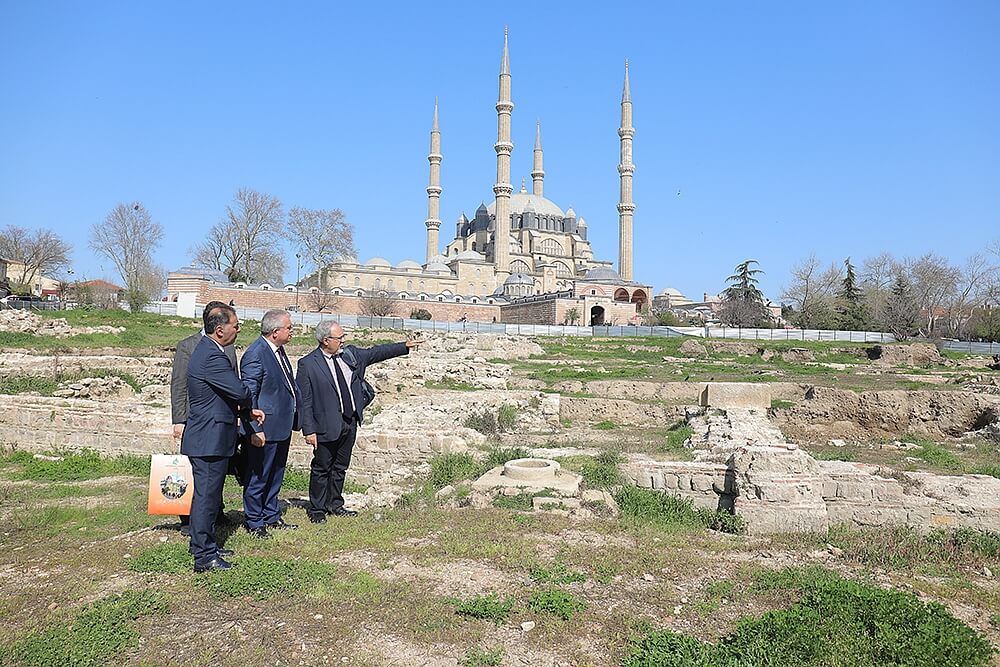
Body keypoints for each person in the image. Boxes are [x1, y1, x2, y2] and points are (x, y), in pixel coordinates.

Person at [296, 320, 421, 523]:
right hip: (325, 424)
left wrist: (403, 346)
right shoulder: (308, 364)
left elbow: (376, 352)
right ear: (326, 340)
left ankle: (334, 503)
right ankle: (317, 508)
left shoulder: (350, 355)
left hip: (349, 420)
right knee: (322, 467)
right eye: (340, 337)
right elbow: (305, 400)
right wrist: (308, 430)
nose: (343, 340)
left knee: (340, 466)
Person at [182, 304, 264, 572]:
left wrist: (245, 411)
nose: (239, 330)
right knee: (206, 498)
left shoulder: (209, 351)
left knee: (206, 496)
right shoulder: (212, 357)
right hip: (209, 438)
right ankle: (204, 556)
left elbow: (225, 396)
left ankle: (204, 545)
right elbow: (239, 390)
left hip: (209, 436)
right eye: (236, 325)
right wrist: (249, 394)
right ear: (220, 330)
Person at [169, 301, 237, 537]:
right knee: (201, 478)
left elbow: (231, 382)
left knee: (214, 478)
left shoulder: (227, 347)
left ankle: (215, 514)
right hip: (198, 421)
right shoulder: (189, 346)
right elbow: (179, 385)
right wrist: (179, 420)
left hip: (221, 422)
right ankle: (192, 523)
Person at [239, 309, 300, 539]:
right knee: (259, 476)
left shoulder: (278, 351)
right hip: (264, 427)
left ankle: (270, 514)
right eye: (289, 328)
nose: (292, 331)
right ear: (275, 332)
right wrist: (255, 429)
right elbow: (250, 394)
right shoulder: (256, 353)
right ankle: (254, 521)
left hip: (281, 426)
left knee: (275, 473)